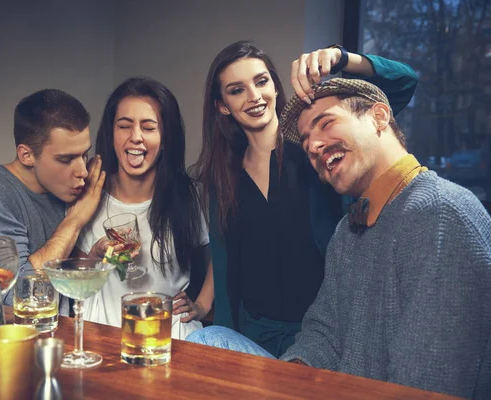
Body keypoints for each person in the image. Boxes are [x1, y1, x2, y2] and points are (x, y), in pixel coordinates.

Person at [188, 78, 491, 399]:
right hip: (335, 386)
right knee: (210, 341)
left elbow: (425, 383)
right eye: (306, 141)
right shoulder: (349, 230)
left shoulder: (439, 212)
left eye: (326, 123)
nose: (314, 146)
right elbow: (324, 332)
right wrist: (292, 378)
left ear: (379, 117)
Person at [190, 41, 418, 357]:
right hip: (253, 335)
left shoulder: (317, 152)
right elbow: (225, 258)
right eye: (237, 90)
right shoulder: (223, 176)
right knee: (202, 344)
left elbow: (405, 82)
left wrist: (341, 58)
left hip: (320, 339)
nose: (254, 96)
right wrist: (204, 308)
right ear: (222, 105)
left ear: (274, 84)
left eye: (261, 81)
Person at [73, 77, 213, 339]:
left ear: (165, 138)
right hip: (102, 337)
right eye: (124, 126)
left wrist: (202, 305)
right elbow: (75, 282)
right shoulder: (91, 191)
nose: (135, 137)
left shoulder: (187, 194)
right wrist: (95, 254)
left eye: (149, 128)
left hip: (169, 337)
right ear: (111, 133)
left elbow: (220, 253)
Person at [0, 89, 105, 313]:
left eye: (84, 154)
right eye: (66, 159)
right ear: (27, 155)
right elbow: (18, 297)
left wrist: (92, 259)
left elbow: (66, 293)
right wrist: (75, 221)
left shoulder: (62, 191)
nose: (82, 171)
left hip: (58, 343)